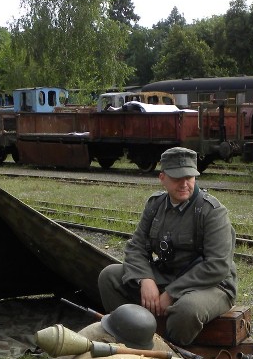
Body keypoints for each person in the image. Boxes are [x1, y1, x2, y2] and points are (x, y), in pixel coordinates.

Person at [97, 147, 237, 346]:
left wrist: (171, 293)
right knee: (109, 276)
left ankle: (170, 351)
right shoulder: (156, 205)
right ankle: (129, 338)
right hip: (168, 275)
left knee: (186, 310)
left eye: (189, 177)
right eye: (177, 178)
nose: (184, 184)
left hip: (211, 285)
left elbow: (217, 266)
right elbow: (136, 247)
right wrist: (145, 279)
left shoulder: (211, 211)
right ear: (162, 178)